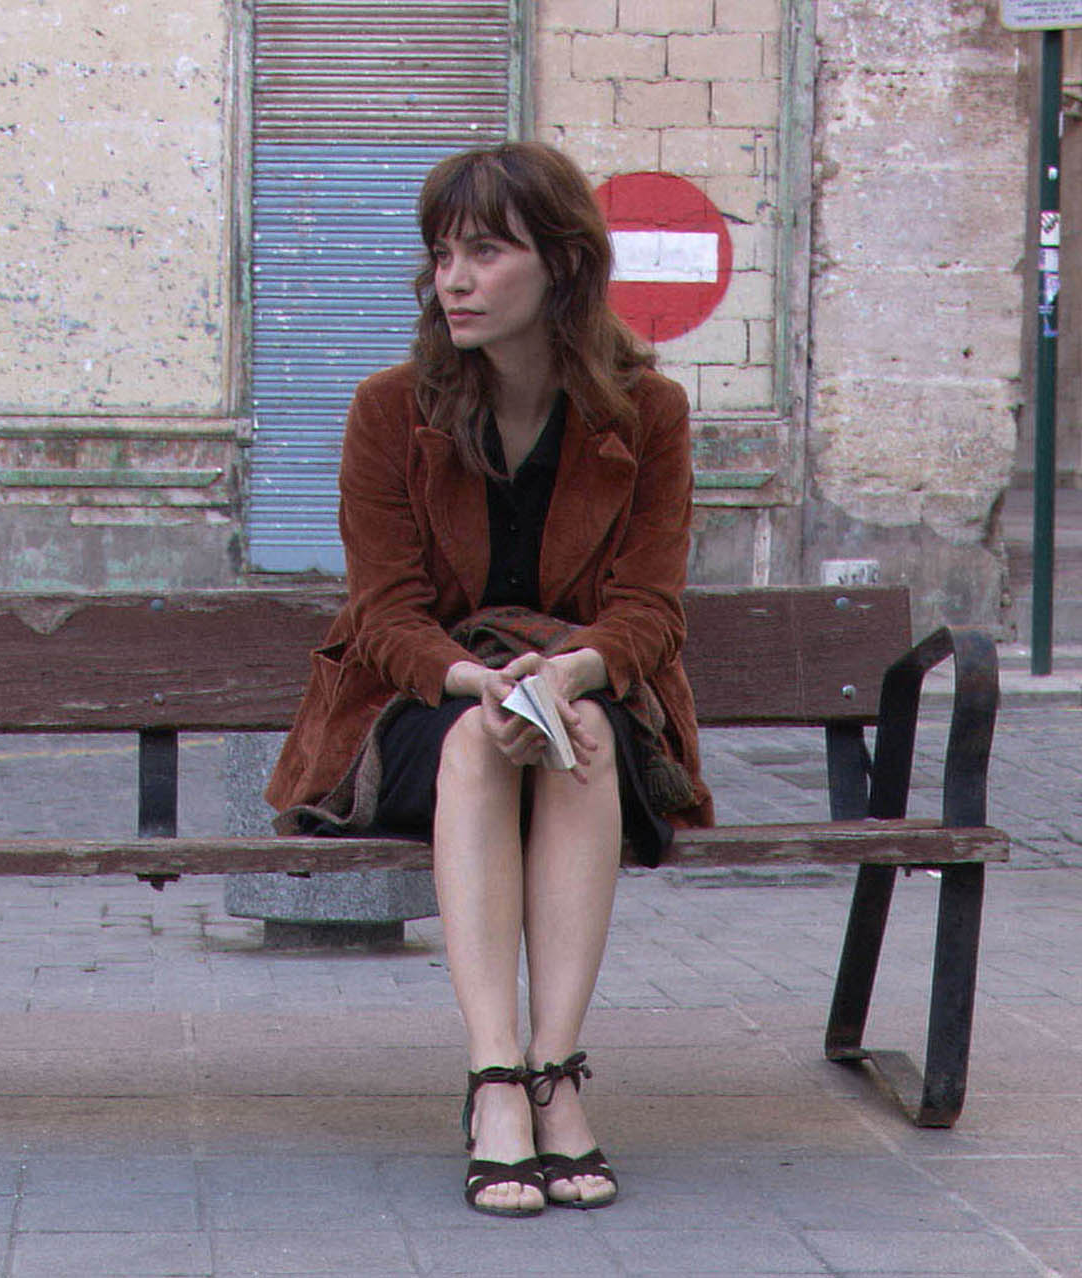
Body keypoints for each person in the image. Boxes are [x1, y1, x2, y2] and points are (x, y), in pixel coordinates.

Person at [266, 142, 713, 1218]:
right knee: (484, 742)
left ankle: (557, 1071)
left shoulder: (646, 412)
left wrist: (565, 677)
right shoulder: (391, 409)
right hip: (427, 702)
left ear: (562, 264)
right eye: (441, 255)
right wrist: (484, 686)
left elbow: (650, 609)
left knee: (579, 739)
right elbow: (385, 614)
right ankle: (497, 1080)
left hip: (582, 692)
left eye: (484, 252)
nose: (453, 281)